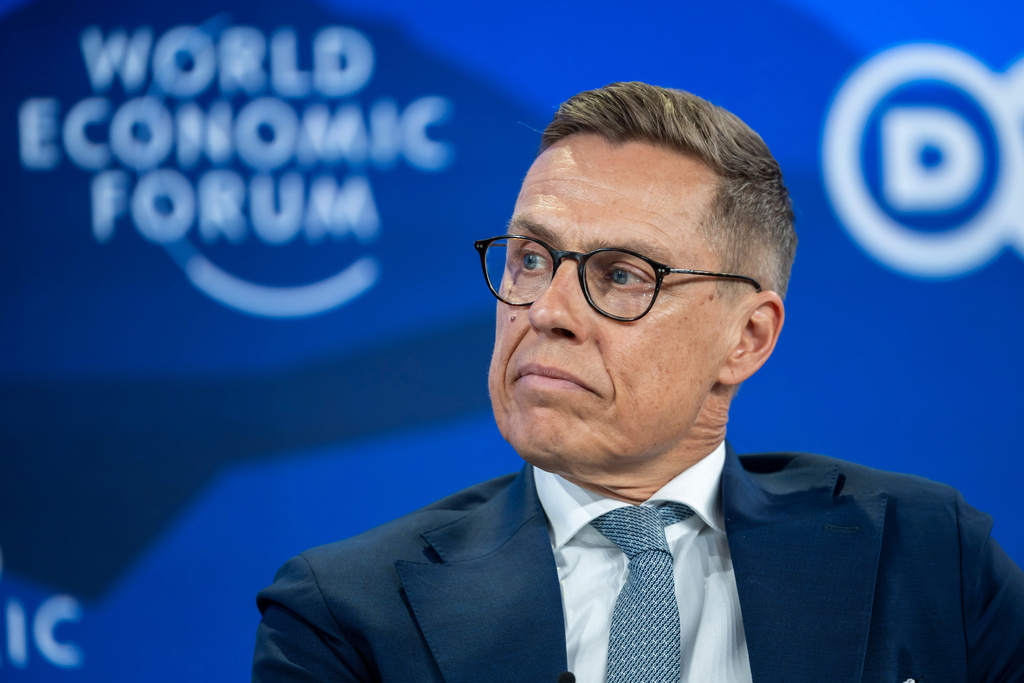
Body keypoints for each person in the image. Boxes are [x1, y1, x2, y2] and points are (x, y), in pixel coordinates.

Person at [251, 82, 1024, 682]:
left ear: (746, 338)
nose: (546, 310)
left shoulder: (927, 556)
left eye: (621, 274)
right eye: (529, 258)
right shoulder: (349, 612)